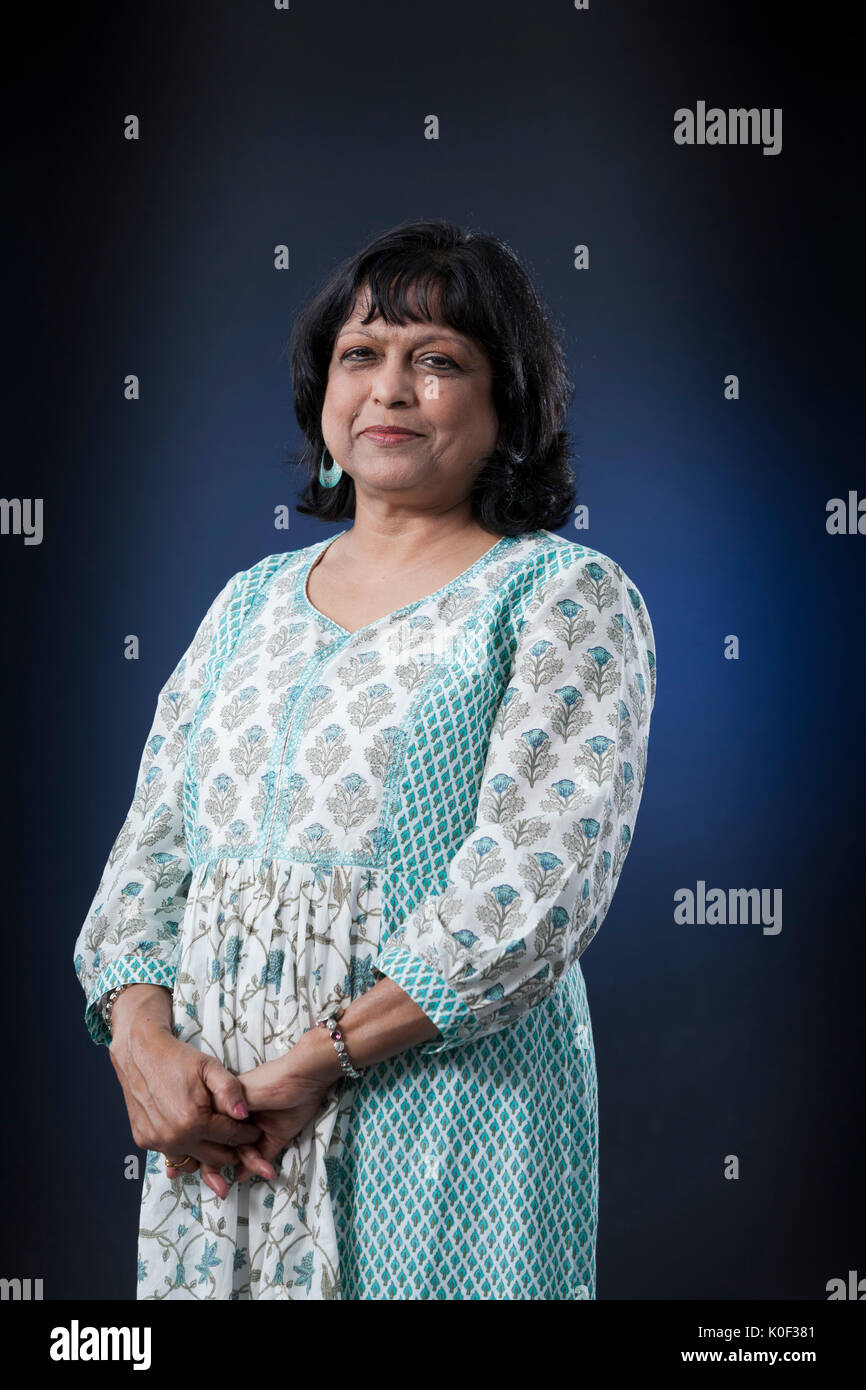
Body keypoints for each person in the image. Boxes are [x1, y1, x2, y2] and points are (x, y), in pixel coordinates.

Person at [73, 217, 657, 1300]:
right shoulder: (246, 604)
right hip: (224, 1139)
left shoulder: (558, 599)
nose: (389, 387)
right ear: (323, 392)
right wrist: (144, 1049)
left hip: (444, 1119)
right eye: (361, 355)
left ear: (506, 406)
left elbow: (531, 892)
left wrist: (308, 1065)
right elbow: (147, 859)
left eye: (437, 361)